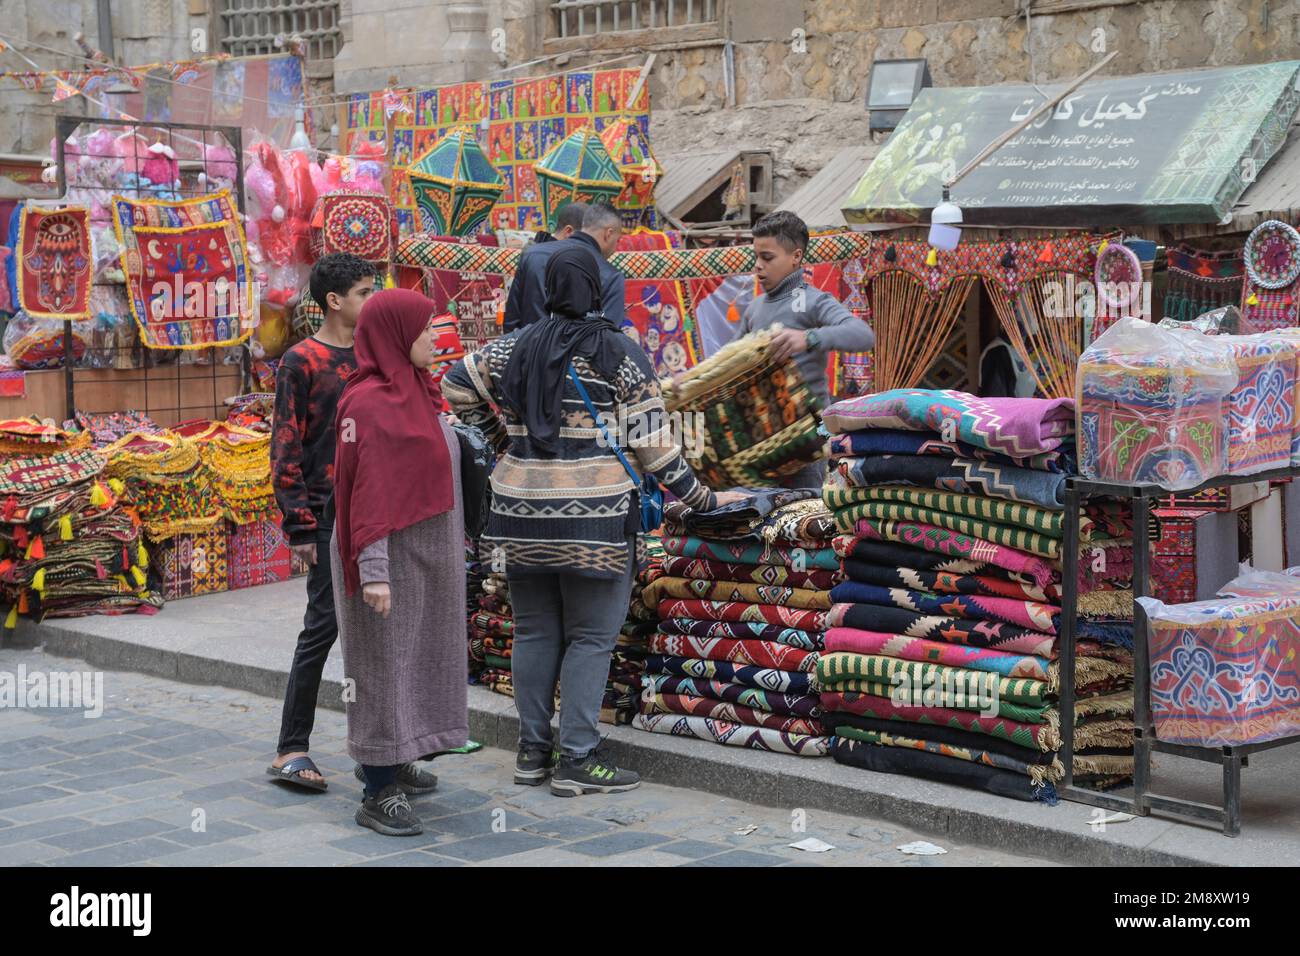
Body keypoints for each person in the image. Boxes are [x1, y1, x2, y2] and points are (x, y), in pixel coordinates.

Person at [444, 244, 745, 796]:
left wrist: (507, 444)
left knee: (533, 630)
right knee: (590, 638)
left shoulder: (510, 349)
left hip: (518, 513)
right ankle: (578, 758)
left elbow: (454, 385)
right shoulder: (618, 353)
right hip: (597, 518)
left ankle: (532, 754)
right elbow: (655, 447)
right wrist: (701, 501)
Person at [267, 253, 410, 793]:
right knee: (323, 627)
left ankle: (389, 748)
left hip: (380, 511)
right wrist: (300, 525)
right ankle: (291, 747)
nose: (373, 299)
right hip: (329, 515)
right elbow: (285, 446)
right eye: (365, 291)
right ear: (335, 300)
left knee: (384, 630)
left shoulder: (380, 356)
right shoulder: (301, 361)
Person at [331, 288, 469, 836]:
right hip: (387, 562)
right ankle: (377, 789)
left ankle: (398, 755)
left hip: (429, 556)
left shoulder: (417, 388)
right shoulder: (365, 403)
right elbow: (364, 495)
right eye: (424, 329)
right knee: (381, 667)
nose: (434, 339)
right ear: (394, 335)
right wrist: (375, 572)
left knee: (417, 661)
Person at [737, 210, 876, 488]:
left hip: (806, 439)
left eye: (767, 257)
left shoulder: (813, 301)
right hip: (761, 438)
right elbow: (731, 359)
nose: (758, 266)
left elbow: (863, 335)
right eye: (756, 257)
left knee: (804, 517)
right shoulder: (754, 308)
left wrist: (808, 338)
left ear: (796, 257)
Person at [502, 202, 626, 333]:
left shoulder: (532, 254)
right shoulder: (610, 276)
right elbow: (609, 338)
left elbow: (511, 321)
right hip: (578, 352)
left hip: (526, 348)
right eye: (617, 240)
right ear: (609, 234)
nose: (615, 248)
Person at [501, 201, 589, 333]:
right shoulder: (566, 261)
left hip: (525, 341)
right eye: (584, 239)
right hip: (555, 344)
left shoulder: (531, 253)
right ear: (569, 232)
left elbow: (512, 316)